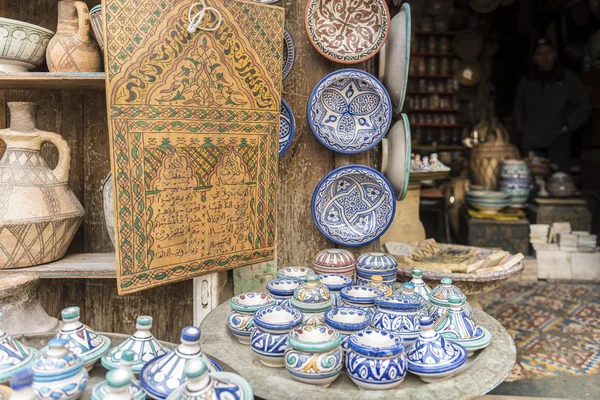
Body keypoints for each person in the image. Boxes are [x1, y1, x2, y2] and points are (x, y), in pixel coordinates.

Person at [514, 39, 591, 172]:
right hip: (532, 142)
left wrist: (567, 126)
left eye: (548, 52)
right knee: (534, 182)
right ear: (534, 58)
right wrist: (523, 129)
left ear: (554, 54)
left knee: (559, 181)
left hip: (557, 140)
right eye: (539, 53)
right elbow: (519, 108)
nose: (544, 57)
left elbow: (583, 106)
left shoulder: (566, 78)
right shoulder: (526, 81)